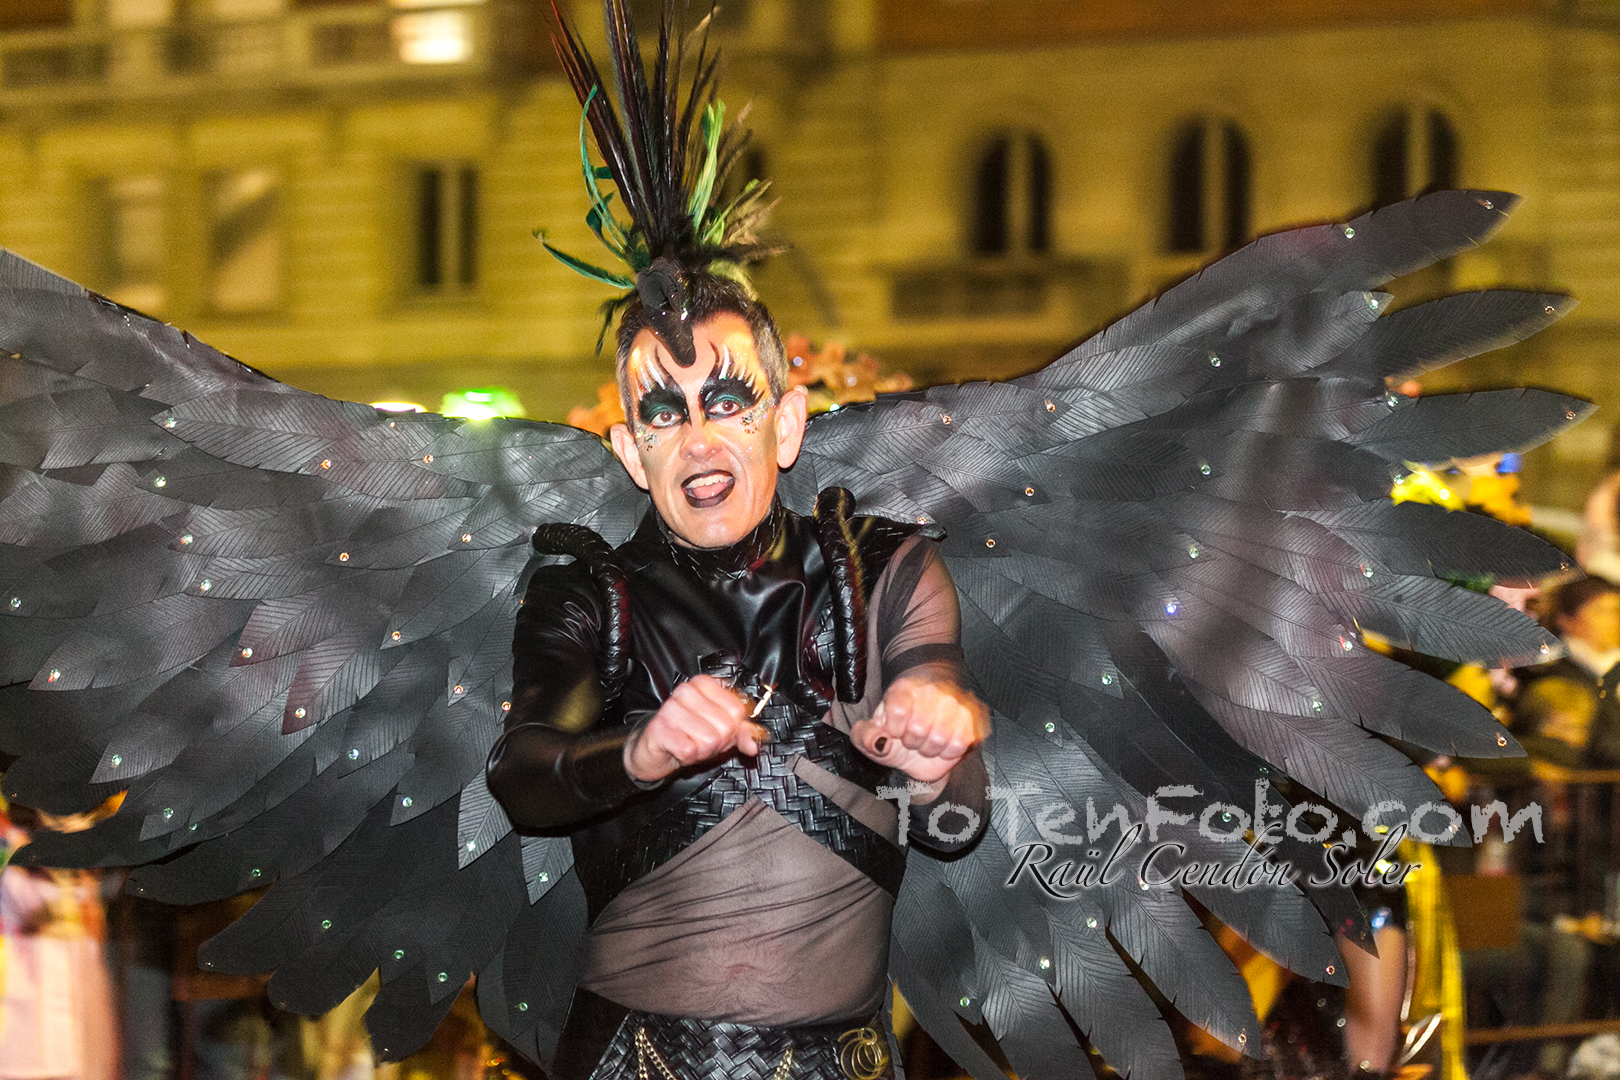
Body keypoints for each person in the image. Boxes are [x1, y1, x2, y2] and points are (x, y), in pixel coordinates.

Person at [485, 274, 990, 1079]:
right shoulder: (585, 596)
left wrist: (932, 763)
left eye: (726, 403)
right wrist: (639, 753)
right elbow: (521, 777)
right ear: (632, 452)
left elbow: (959, 826)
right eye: (663, 414)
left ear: (785, 427)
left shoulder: (885, 570)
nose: (698, 440)